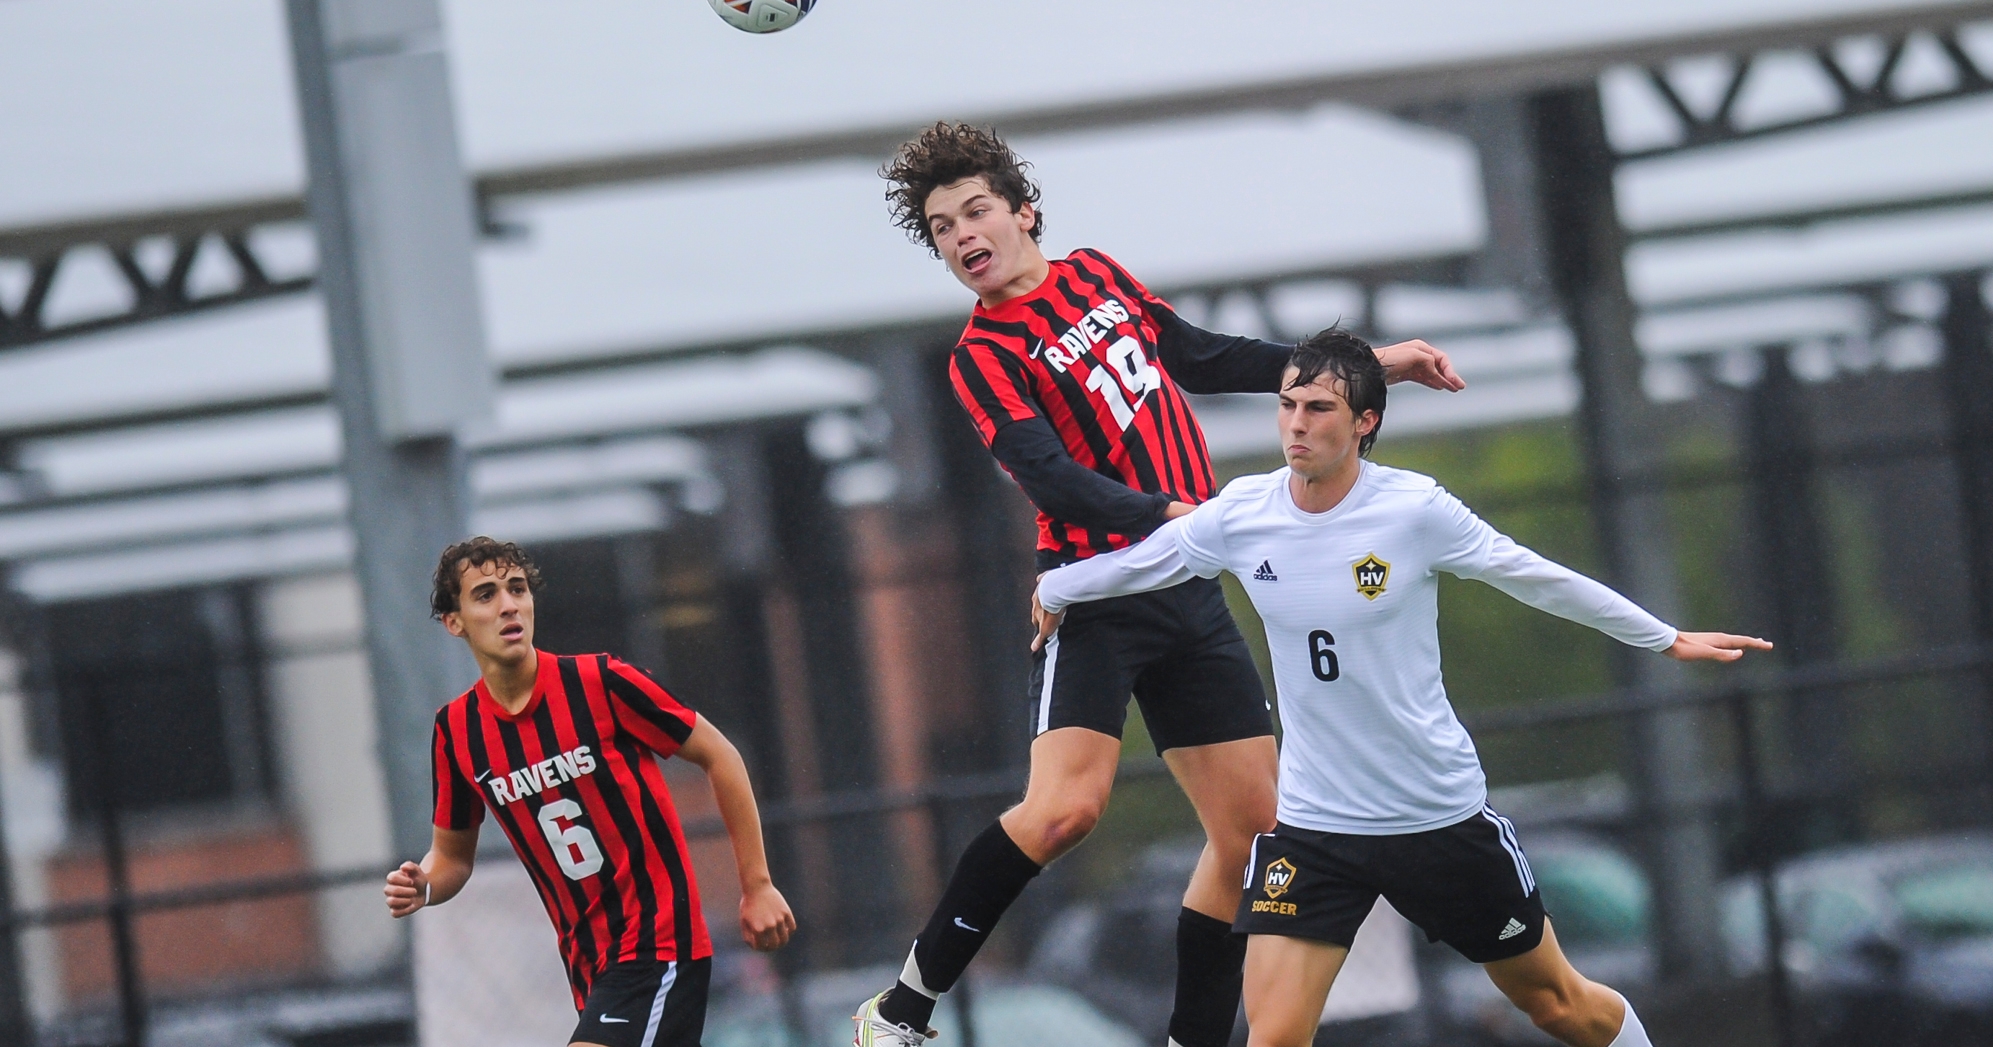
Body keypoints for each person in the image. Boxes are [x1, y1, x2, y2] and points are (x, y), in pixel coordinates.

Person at [854, 122, 1465, 1047]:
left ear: (1025, 212)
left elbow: (1203, 355)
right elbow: (1048, 476)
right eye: (941, 228)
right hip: (1096, 591)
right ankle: (901, 1007)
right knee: (1064, 811)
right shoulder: (980, 355)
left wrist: (1370, 363)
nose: (961, 235)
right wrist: (1169, 515)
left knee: (1259, 833)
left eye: (975, 211)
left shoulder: (1098, 272)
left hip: (1184, 586)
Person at [1034, 328, 1770, 1047]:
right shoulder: (1243, 512)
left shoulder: (1414, 510)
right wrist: (1061, 583)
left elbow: (1534, 575)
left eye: (1318, 408)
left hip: (1435, 817)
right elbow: (1150, 559)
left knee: (1559, 1006)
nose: (1296, 422)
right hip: (1317, 827)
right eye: (1288, 403)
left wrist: (1664, 634)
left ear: (1365, 421)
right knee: (1276, 1035)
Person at [384, 537, 796, 1047]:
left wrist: (757, 885)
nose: (509, 604)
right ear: (455, 621)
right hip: (588, 965)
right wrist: (423, 885)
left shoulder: (600, 681)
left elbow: (720, 755)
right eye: (486, 595)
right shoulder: (456, 731)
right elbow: (452, 858)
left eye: (517, 589)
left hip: (658, 944)